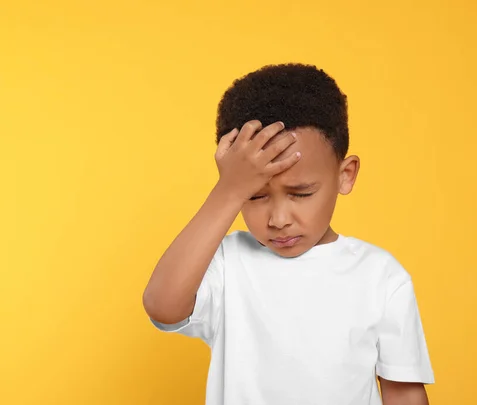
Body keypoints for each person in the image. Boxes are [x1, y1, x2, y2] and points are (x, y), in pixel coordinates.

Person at [142, 63, 434, 405]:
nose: (279, 219)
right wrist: (228, 190)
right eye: (255, 196)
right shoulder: (228, 264)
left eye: (301, 193)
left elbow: (403, 392)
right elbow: (162, 306)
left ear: (346, 175)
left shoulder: (380, 276)